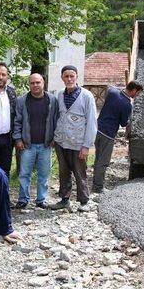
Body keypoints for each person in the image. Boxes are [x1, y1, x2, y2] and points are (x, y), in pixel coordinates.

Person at [49, 65, 97, 211]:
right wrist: (54, 137)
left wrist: (86, 145)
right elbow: (57, 117)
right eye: (66, 76)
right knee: (63, 171)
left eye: (72, 76)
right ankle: (64, 199)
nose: (69, 79)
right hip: (62, 141)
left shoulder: (86, 96)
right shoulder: (60, 95)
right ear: (62, 78)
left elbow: (92, 122)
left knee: (79, 171)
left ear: (76, 77)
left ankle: (84, 201)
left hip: (78, 143)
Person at [13, 73, 59, 209]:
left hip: (46, 144)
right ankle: (23, 199)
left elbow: (56, 120)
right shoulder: (22, 101)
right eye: (32, 83)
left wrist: (55, 138)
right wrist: (18, 139)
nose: (35, 85)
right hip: (27, 145)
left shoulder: (52, 100)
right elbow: (17, 121)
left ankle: (41, 199)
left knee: (44, 174)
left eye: (38, 82)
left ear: (43, 83)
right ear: (29, 84)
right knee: (24, 174)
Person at [92, 81, 143, 193]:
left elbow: (109, 87)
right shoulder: (126, 104)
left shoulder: (113, 92)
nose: (137, 96)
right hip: (108, 134)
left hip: (96, 129)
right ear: (134, 90)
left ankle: (95, 183)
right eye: (138, 93)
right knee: (103, 162)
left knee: (98, 158)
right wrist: (129, 120)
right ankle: (98, 187)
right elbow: (124, 123)